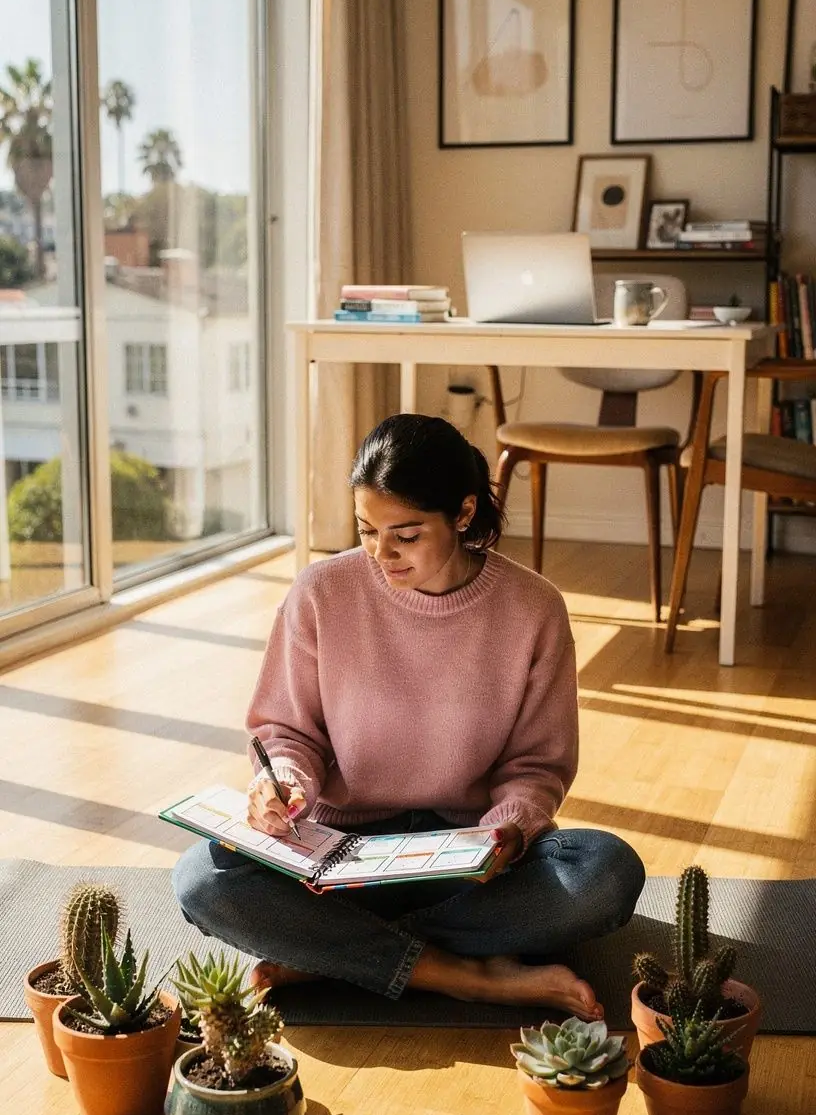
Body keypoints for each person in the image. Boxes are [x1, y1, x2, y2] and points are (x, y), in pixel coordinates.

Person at [173, 414, 645, 1018]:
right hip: (337, 852)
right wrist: (284, 781)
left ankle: (331, 952)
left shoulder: (533, 609)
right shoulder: (321, 592)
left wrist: (506, 830)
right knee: (202, 878)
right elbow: (286, 732)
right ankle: (467, 974)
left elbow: (538, 765)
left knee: (604, 873)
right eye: (367, 530)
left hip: (466, 862)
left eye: (407, 534)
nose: (381, 554)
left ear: (464, 513)